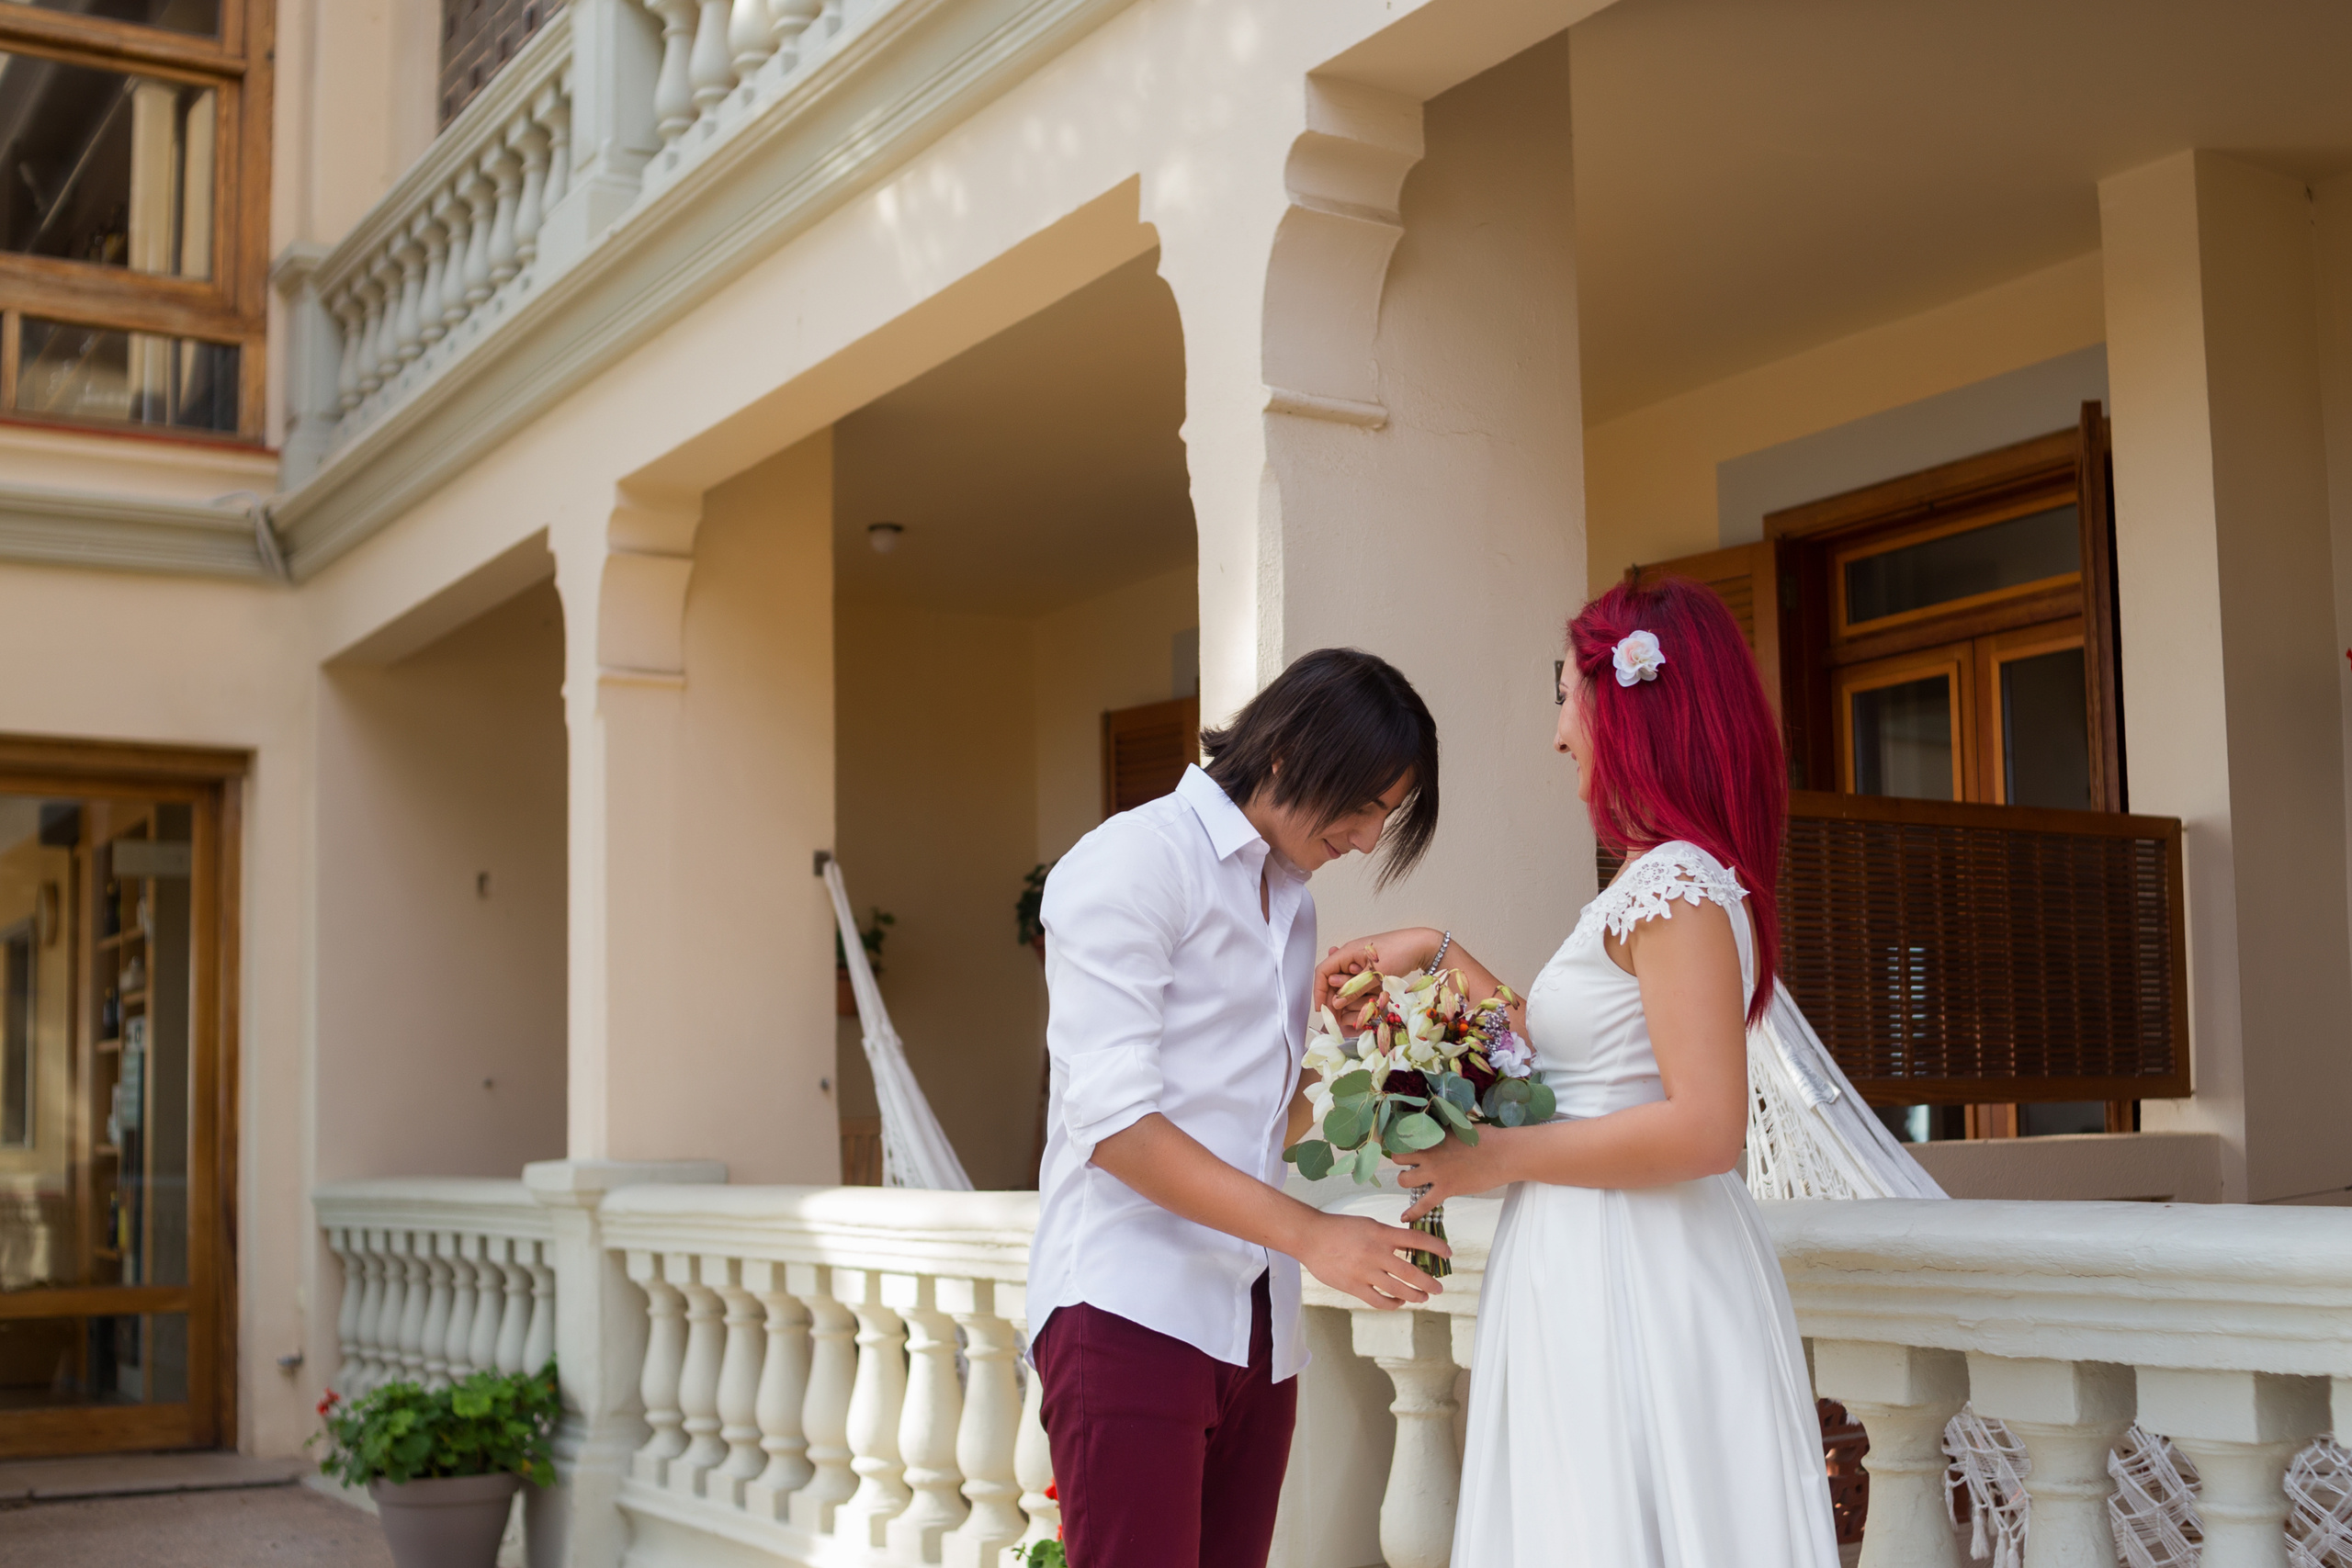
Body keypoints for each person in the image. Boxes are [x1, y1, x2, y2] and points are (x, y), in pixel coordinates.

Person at [1318, 579, 1840, 1567]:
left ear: (1628, 709)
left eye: (1566, 697)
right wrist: (1433, 953)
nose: (1560, 734)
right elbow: (1576, 1055)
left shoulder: (1676, 890)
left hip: (1636, 1268)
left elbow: (1704, 1130)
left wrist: (1494, 1158)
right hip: (1589, 1249)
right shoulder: (1652, 883)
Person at [1026, 646, 1451, 1568]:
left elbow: (1263, 1127)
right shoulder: (1132, 863)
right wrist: (1315, 1235)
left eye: (1386, 814)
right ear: (1289, 753)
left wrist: (1332, 1044)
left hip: (1257, 1326)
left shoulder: (1288, 901)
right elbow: (1112, 1128)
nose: (1369, 840)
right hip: (1129, 1305)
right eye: (1365, 805)